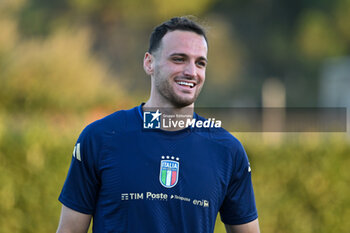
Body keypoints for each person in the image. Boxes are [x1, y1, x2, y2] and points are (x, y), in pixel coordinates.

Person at [56, 16, 260, 233]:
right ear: (149, 63)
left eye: (200, 62)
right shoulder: (100, 137)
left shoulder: (227, 150)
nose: (192, 72)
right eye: (179, 59)